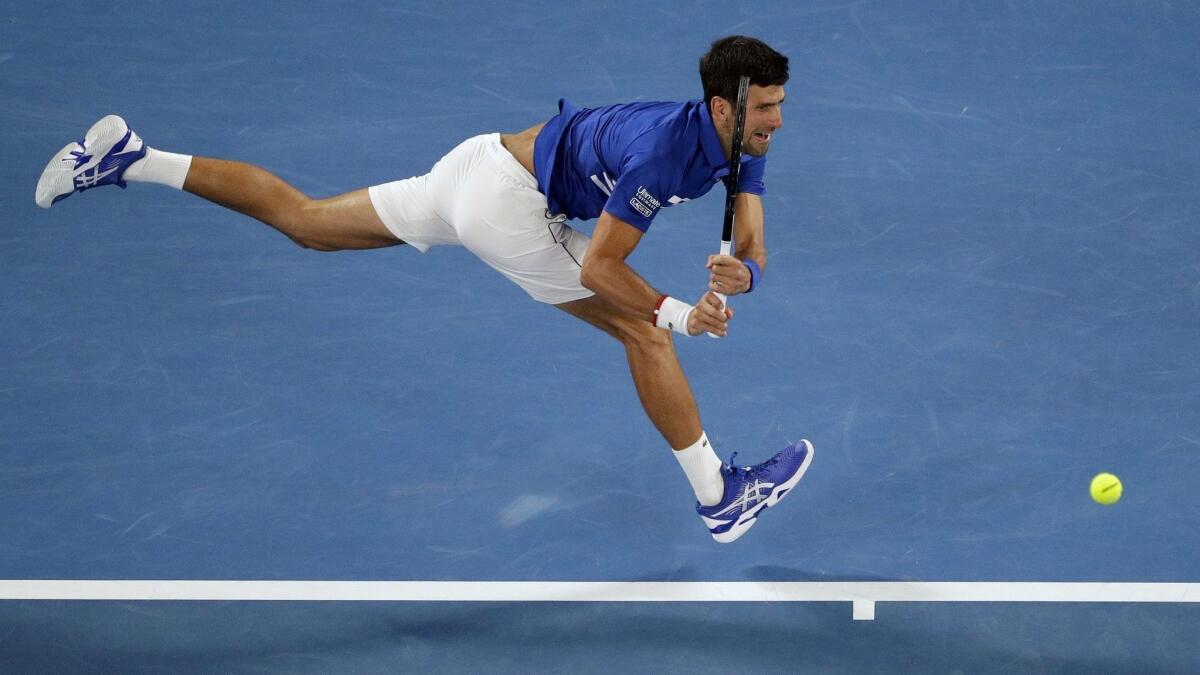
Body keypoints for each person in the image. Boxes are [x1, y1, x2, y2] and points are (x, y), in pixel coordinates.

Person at [35, 35, 812, 543]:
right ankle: (720, 498)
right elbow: (598, 269)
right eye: (769, 107)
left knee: (307, 220)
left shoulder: (744, 137)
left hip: (474, 168)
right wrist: (681, 313)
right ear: (724, 107)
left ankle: (133, 158)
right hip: (508, 207)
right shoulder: (659, 157)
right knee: (642, 331)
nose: (780, 119)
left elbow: (751, 243)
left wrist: (744, 273)